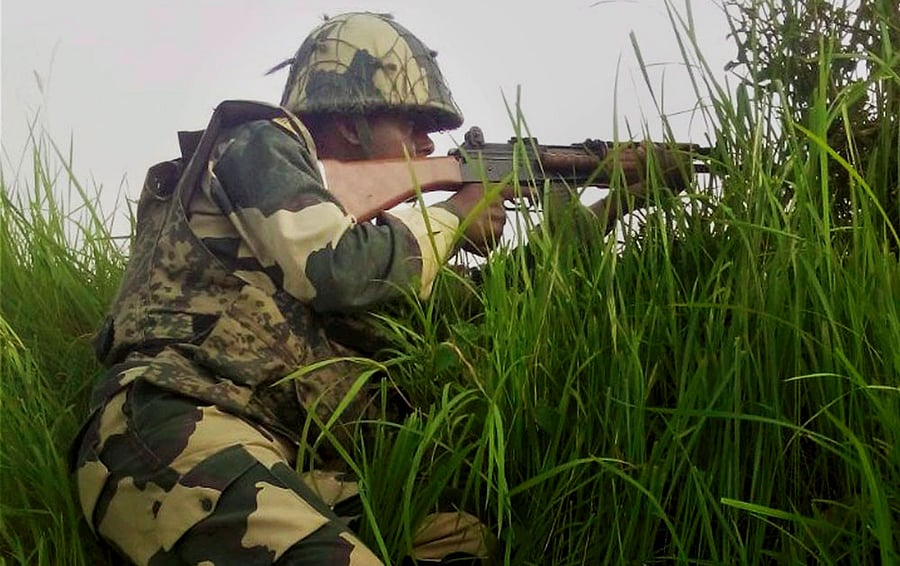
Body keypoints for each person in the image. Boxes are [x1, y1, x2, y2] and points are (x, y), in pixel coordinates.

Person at [71, 11, 688, 566]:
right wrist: (457, 212)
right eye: (416, 123)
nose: (430, 145)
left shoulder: (373, 249)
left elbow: (487, 300)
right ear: (348, 120)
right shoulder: (257, 142)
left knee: (457, 541)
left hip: (279, 450)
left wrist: (611, 207)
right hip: (172, 427)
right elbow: (332, 269)